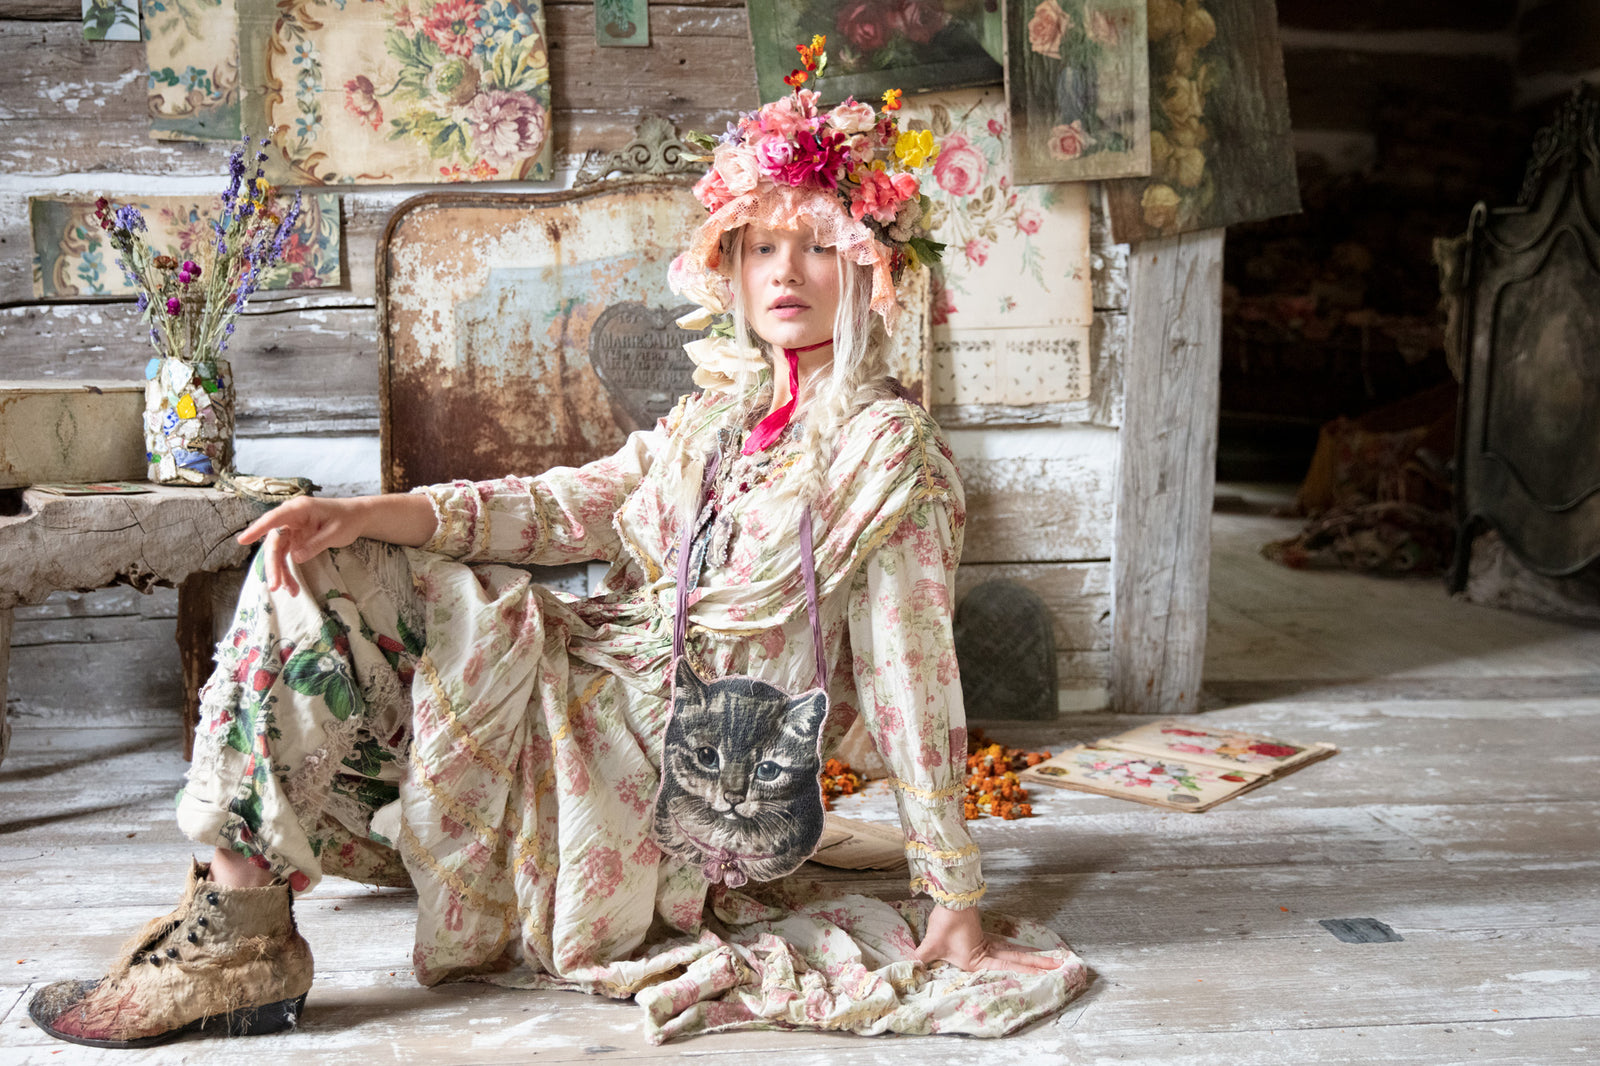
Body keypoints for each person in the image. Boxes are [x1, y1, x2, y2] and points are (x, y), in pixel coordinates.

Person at [28, 47, 1086, 1049]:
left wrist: (952, 891)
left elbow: (909, 672)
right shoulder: (715, 421)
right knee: (316, 560)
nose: (786, 272)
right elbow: (556, 507)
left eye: (817, 243)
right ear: (729, 264)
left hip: (670, 768)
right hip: (584, 680)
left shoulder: (887, 450)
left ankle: (249, 938)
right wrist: (358, 512)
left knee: (364, 605)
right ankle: (239, 920)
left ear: (868, 264)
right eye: (761, 245)